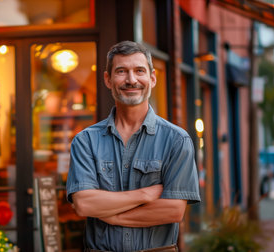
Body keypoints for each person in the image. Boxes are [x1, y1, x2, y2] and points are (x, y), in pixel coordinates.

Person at [66, 41, 201, 252]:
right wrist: (146, 195)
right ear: (108, 79)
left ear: (152, 78)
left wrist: (111, 216)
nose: (131, 80)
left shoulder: (177, 140)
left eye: (139, 71)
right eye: (121, 71)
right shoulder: (86, 141)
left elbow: (173, 210)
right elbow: (84, 204)